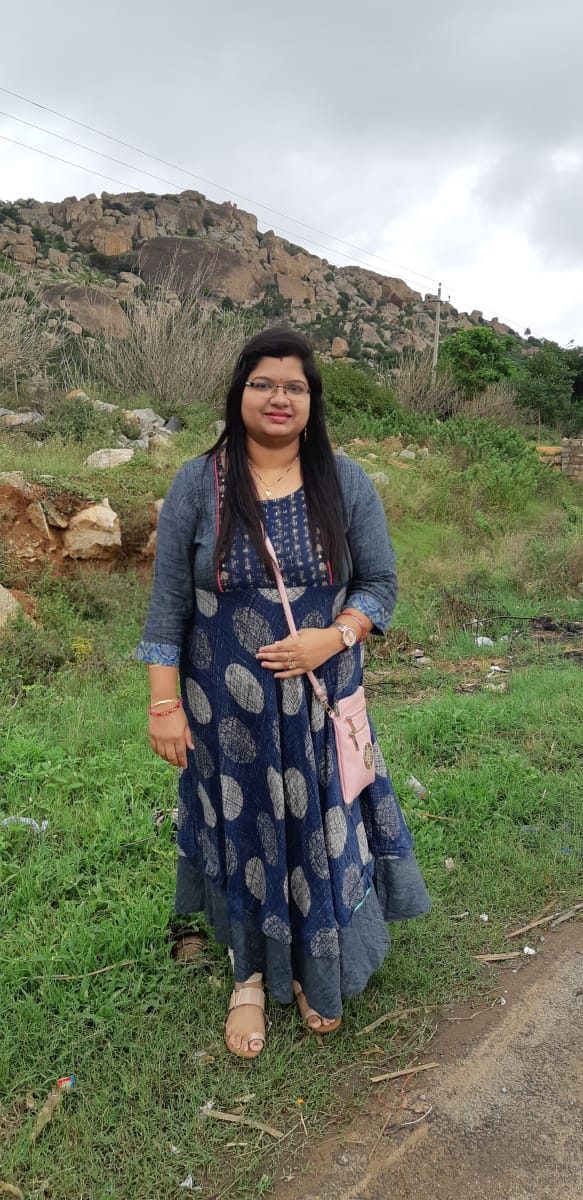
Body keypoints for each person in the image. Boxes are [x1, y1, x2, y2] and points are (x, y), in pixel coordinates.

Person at [137, 327, 430, 1058]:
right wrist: (164, 706)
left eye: (294, 386)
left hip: (320, 704)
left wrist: (333, 638)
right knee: (246, 837)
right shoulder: (198, 485)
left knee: (319, 832)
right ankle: (247, 977)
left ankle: (310, 968)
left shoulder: (345, 481)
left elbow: (380, 585)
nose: (279, 397)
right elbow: (166, 609)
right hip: (225, 714)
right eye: (264, 383)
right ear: (239, 393)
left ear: (311, 400)